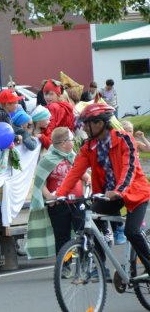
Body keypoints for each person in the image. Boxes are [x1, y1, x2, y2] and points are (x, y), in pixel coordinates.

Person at [55, 103, 150, 279]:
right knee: (91, 221)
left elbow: (129, 168)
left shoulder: (124, 139)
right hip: (108, 195)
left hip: (135, 192)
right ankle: (99, 268)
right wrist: (59, 194)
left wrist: (119, 190)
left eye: (86, 123)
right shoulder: (88, 147)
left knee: (132, 231)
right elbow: (75, 172)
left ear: (99, 123)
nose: (83, 128)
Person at [27, 127, 90, 258]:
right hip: (58, 204)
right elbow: (40, 183)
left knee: (83, 233)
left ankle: (85, 262)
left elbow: (84, 176)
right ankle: (64, 264)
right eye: (72, 139)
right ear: (64, 143)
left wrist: (88, 180)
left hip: (78, 202)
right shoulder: (47, 159)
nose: (74, 142)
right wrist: (49, 196)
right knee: (62, 237)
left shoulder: (74, 157)